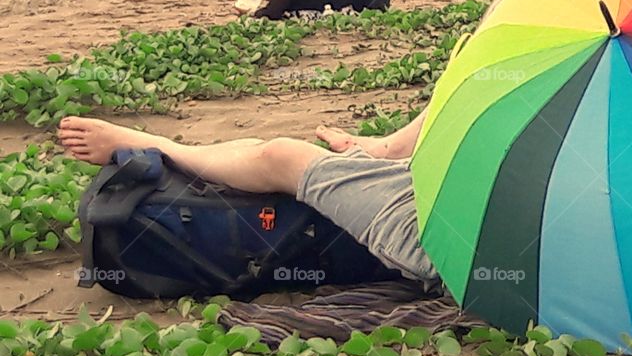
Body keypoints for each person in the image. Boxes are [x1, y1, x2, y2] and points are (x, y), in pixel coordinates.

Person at [57, 110, 436, 285]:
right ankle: (387, 150)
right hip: (466, 203)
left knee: (281, 156)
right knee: (264, 152)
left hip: (442, 239)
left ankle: (163, 147)